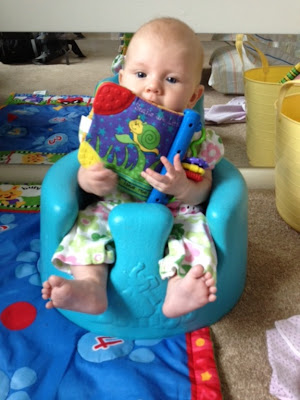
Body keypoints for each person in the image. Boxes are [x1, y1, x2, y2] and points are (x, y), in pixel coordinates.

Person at [41, 17, 224, 319]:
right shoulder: (100, 128)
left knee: (196, 235)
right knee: (86, 231)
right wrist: (90, 180)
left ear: (193, 96)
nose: (152, 87)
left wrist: (185, 188)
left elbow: (205, 187)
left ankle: (182, 288)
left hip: (175, 213)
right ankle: (89, 286)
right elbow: (83, 167)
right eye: (141, 74)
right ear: (121, 77)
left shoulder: (198, 140)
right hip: (112, 205)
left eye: (172, 80)